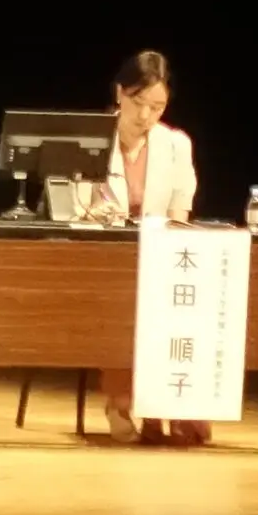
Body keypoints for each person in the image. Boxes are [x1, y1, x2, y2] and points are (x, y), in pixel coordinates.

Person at [93, 50, 209, 446]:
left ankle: (174, 403)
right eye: (138, 102)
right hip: (108, 258)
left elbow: (180, 215)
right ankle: (120, 401)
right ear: (119, 94)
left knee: (182, 297)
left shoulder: (176, 144)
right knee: (123, 296)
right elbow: (77, 205)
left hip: (159, 257)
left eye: (157, 107)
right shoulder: (93, 138)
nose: (145, 116)